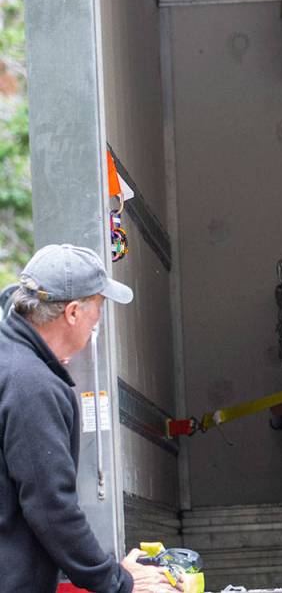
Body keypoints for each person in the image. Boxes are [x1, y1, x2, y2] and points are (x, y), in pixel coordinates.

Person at [0, 244, 181, 593]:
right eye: (96, 311)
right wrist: (117, 582)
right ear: (71, 312)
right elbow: (51, 509)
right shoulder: (31, 385)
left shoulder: (13, 363)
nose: (97, 323)